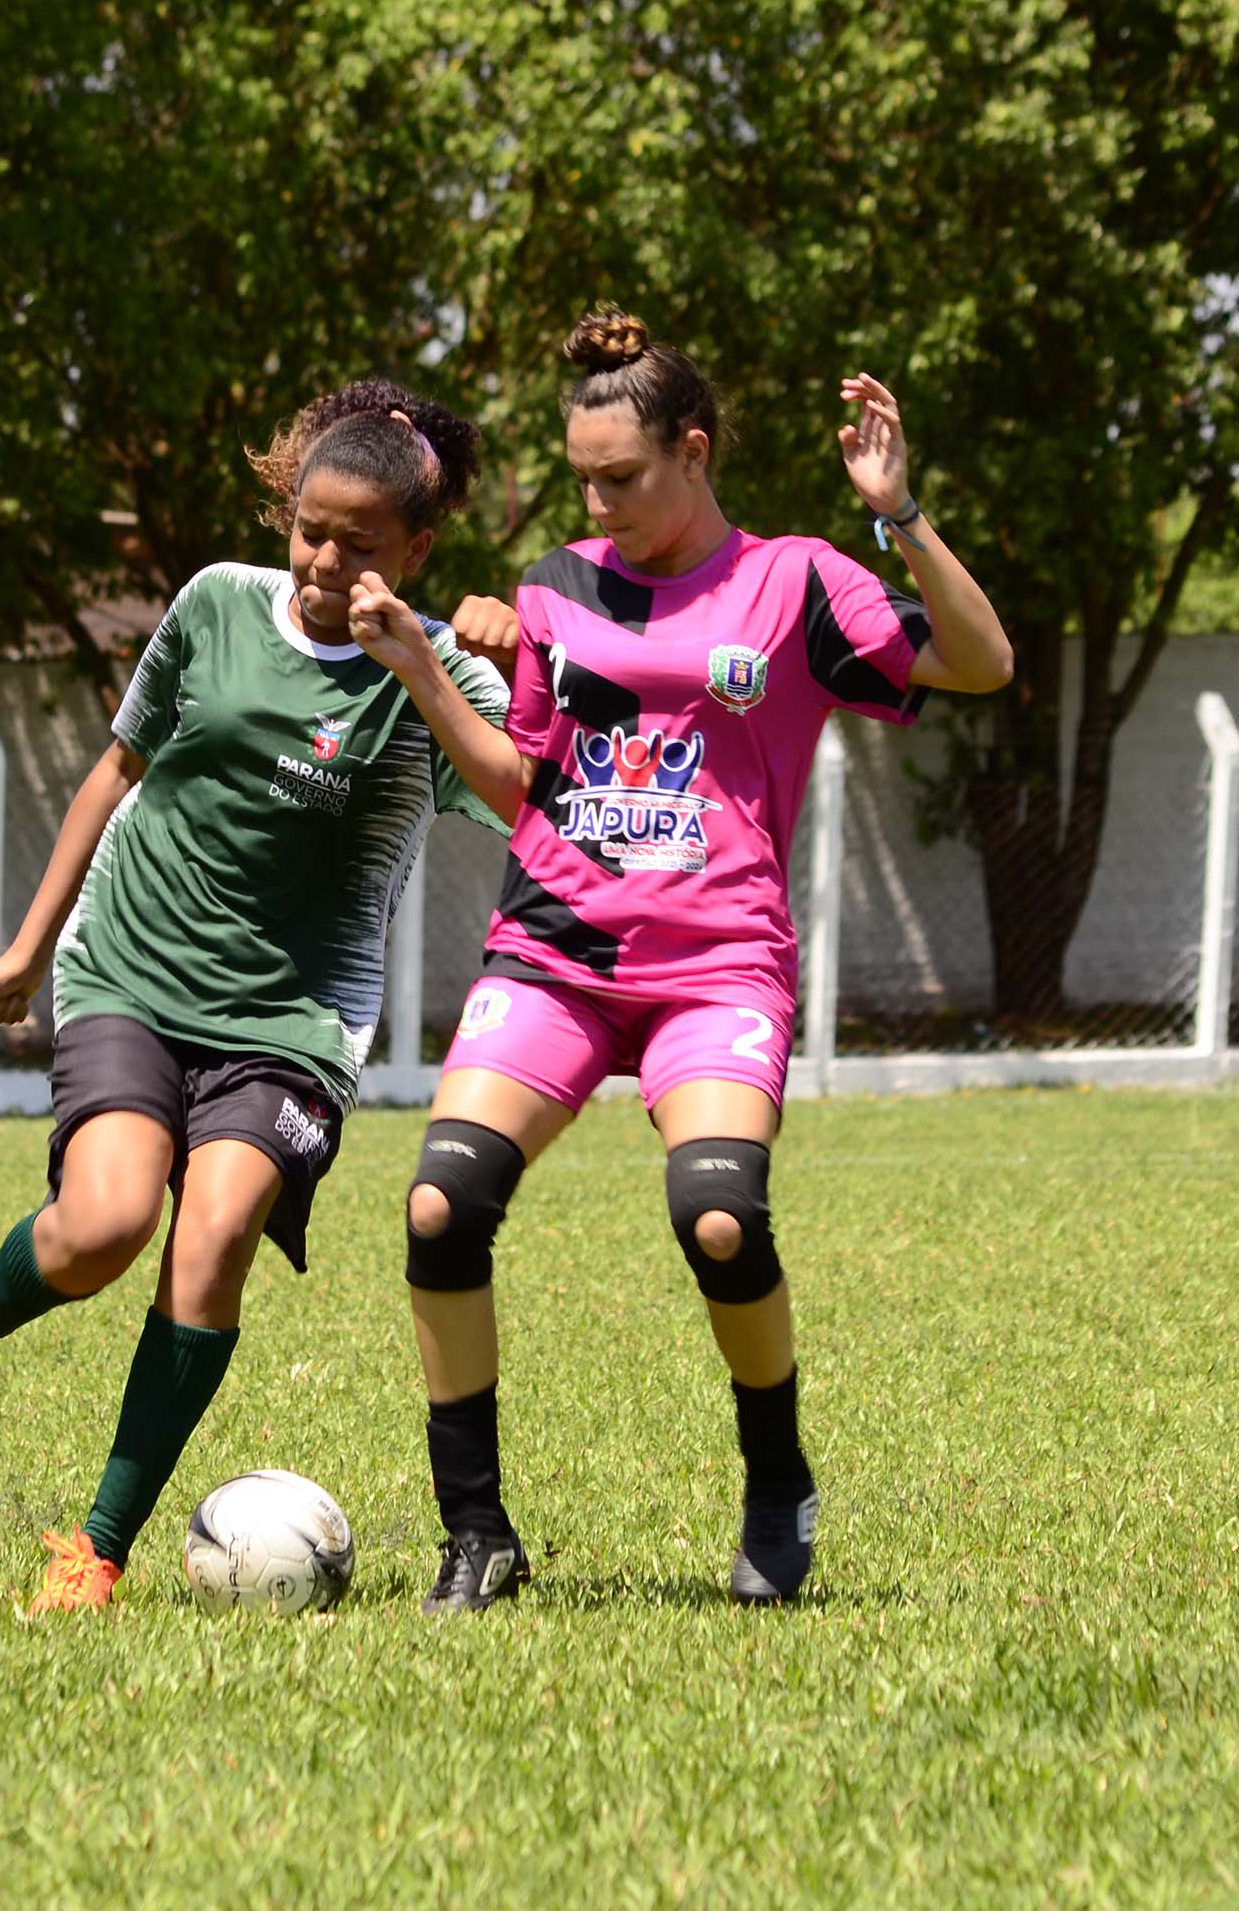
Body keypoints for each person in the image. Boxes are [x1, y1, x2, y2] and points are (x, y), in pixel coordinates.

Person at [348, 309, 1014, 1612]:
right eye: (583, 478)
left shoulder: (799, 584)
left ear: (694, 452)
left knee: (718, 1216)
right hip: (553, 951)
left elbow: (980, 663)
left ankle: (778, 1487)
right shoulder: (557, 585)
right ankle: (475, 1532)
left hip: (718, 963)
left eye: (621, 478)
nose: (597, 502)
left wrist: (902, 512)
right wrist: (430, 665)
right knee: (440, 1206)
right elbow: (520, 785)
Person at [0, 383, 513, 1614]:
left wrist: (436, 663)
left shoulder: (433, 672)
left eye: (361, 543)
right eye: (310, 531)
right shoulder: (217, 602)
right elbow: (119, 765)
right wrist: (23, 946)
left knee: (209, 1241)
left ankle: (99, 1547)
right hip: (132, 966)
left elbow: (530, 789)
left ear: (416, 549)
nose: (327, 562)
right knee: (105, 1223)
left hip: (293, 1021)